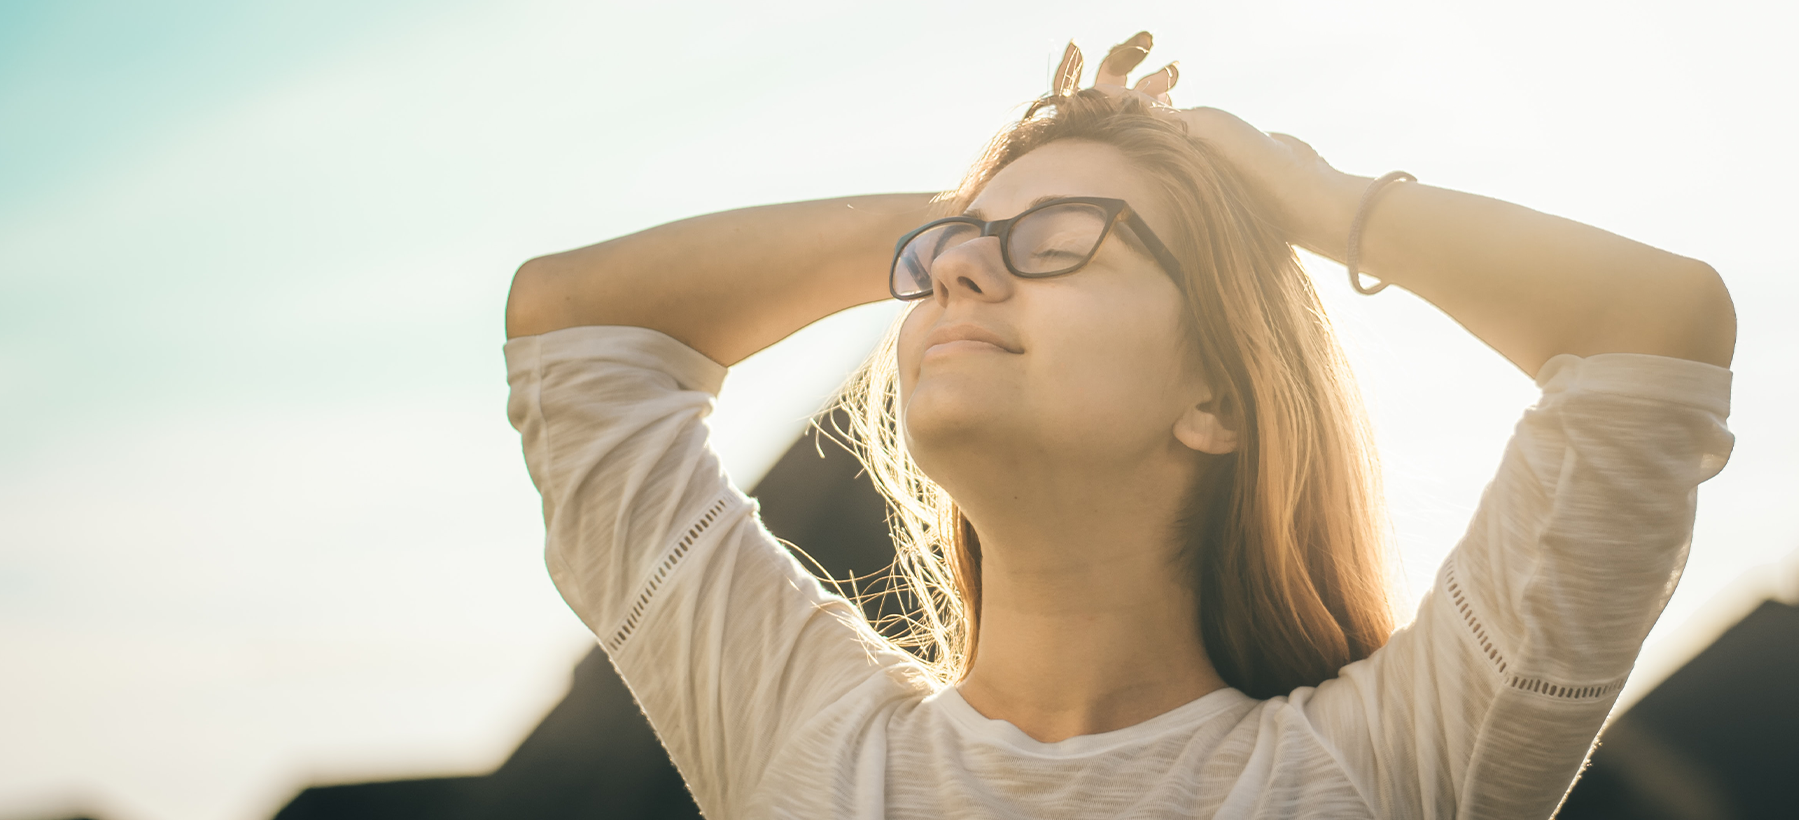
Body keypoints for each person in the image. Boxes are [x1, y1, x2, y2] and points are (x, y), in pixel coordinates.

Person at [502, 32, 1735, 819]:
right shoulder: (803, 740)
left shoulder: (1390, 768)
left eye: (1056, 247)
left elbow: (1652, 331)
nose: (964, 277)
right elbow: (572, 323)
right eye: (947, 260)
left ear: (1219, 399)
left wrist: (1315, 202)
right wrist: (989, 196)